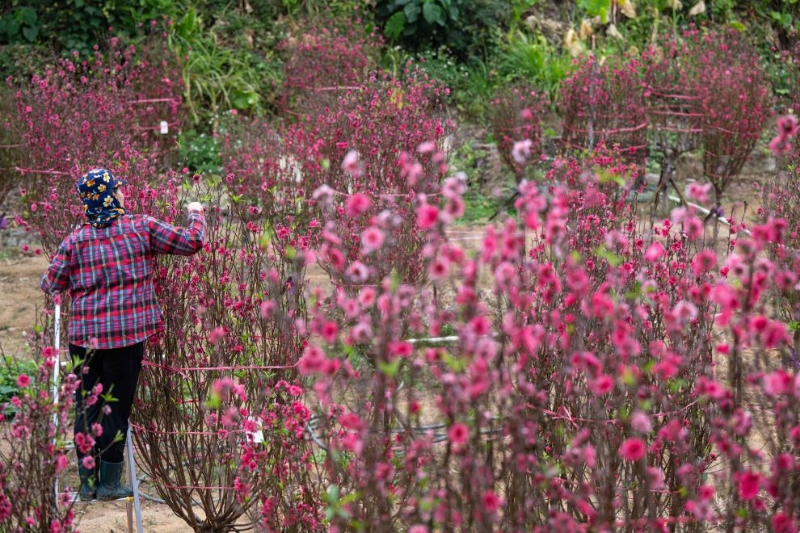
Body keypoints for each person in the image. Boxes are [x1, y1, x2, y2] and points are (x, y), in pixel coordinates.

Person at [41, 168, 206, 501]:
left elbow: (51, 284)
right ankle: (110, 484)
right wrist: (196, 213)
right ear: (110, 195)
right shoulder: (140, 227)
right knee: (115, 408)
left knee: (87, 406)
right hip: (125, 337)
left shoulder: (75, 239)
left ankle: (87, 484)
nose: (123, 194)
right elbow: (192, 242)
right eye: (118, 190)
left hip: (83, 340)